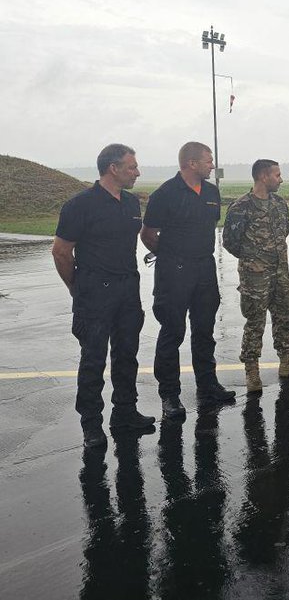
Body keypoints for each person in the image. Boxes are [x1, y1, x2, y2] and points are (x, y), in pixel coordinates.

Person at [52, 144, 156, 448]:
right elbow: (61, 252)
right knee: (93, 360)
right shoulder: (80, 205)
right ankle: (91, 425)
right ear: (113, 168)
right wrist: (79, 288)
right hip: (95, 292)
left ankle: (125, 412)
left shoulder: (130, 203)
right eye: (132, 166)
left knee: (127, 356)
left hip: (127, 290)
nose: (137, 172)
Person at [141, 142, 235, 420]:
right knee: (172, 332)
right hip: (174, 272)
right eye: (208, 161)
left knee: (204, 330)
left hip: (204, 269)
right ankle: (169, 394)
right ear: (192, 163)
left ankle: (208, 384)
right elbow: (148, 234)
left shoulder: (211, 192)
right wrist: (172, 256)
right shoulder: (166, 194)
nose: (212, 165)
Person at [221, 159, 289, 393]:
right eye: (277, 175)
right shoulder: (242, 206)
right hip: (255, 277)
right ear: (263, 176)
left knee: (284, 317)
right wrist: (253, 260)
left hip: (280, 273)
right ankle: (252, 370)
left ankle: (287, 361)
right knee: (255, 322)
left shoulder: (280, 204)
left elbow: (283, 232)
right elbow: (230, 241)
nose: (281, 179)